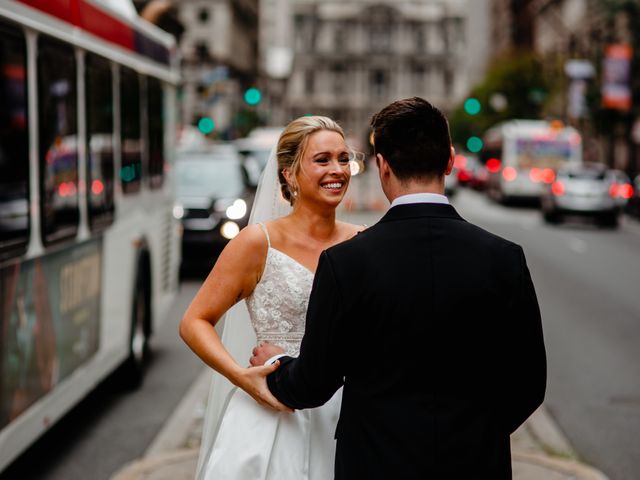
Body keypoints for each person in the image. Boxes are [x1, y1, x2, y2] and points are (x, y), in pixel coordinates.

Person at [252, 97, 547, 479]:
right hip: (476, 464)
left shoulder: (345, 263)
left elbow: (312, 384)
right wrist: (478, 431)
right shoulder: (505, 258)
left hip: (375, 463)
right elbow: (529, 383)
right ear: (450, 160)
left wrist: (276, 366)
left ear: (382, 166)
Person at [179, 115, 363, 480]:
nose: (337, 170)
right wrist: (242, 376)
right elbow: (193, 321)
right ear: (290, 173)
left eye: (343, 159)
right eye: (322, 160)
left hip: (346, 415)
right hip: (271, 412)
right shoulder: (256, 243)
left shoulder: (365, 240)